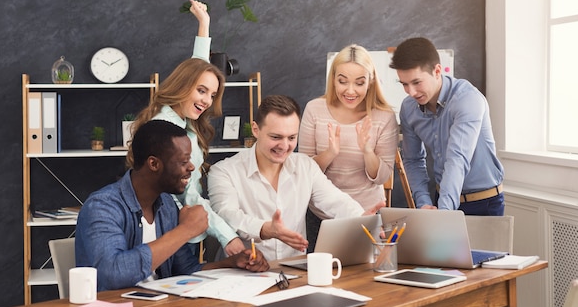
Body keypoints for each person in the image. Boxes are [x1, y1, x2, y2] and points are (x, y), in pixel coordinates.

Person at [75, 120, 269, 291]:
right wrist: (185, 230)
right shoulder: (102, 207)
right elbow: (113, 274)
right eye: (183, 161)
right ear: (154, 164)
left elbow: (187, 270)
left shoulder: (166, 205)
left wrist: (232, 263)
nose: (192, 167)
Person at [128, 0, 245, 257]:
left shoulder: (179, 114)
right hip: (173, 232)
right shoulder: (171, 133)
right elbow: (190, 197)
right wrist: (228, 237)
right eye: (201, 91)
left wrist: (204, 24)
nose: (206, 100)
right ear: (183, 84)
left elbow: (197, 69)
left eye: (212, 95)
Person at [208, 95, 384, 261]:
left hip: (293, 271)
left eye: (292, 137)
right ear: (256, 129)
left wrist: (362, 217)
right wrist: (266, 229)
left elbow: (336, 201)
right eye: (276, 137)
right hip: (240, 273)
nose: (284, 146)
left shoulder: (305, 166)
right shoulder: (223, 171)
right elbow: (227, 215)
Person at [299, 44, 398, 251]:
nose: (350, 91)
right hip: (322, 217)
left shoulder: (384, 116)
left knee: (366, 278)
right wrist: (330, 154)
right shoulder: (314, 109)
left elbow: (381, 176)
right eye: (343, 81)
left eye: (359, 83)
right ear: (333, 79)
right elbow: (303, 171)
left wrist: (367, 151)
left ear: (370, 82)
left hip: (369, 213)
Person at [390, 37, 504, 215]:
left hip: (483, 203)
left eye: (416, 82)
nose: (411, 92)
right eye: (404, 84)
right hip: (441, 198)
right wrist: (423, 204)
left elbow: (457, 159)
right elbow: (413, 160)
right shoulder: (408, 108)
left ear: (437, 71)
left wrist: (443, 215)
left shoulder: (468, 100)